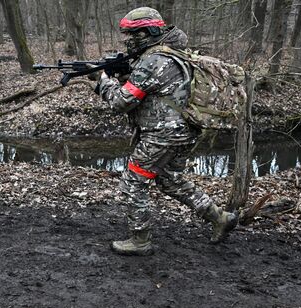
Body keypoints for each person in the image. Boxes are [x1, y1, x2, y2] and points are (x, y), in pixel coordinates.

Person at [98, 7, 238, 256]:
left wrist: (104, 82)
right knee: (170, 179)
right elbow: (154, 89)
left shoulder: (154, 60)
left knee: (133, 182)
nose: (129, 40)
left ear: (150, 32)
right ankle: (220, 218)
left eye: (134, 34)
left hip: (164, 134)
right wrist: (124, 75)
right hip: (184, 130)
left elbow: (120, 103)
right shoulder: (172, 53)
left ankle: (140, 240)